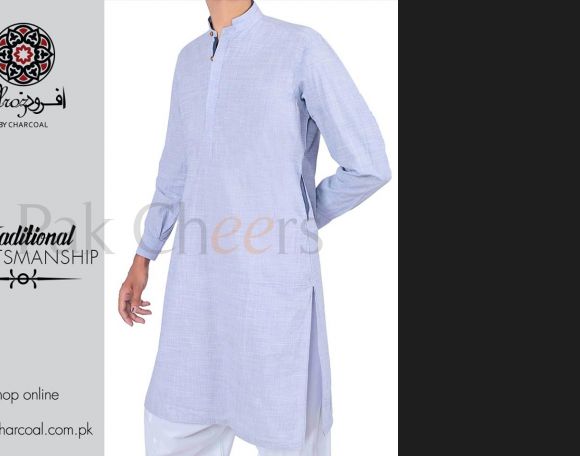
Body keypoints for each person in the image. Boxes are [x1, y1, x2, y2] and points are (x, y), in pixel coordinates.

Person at [117, 1, 391, 454]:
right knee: (175, 421)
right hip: (197, 287)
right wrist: (143, 255)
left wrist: (299, 219)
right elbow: (175, 172)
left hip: (270, 285)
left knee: (287, 428)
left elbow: (368, 166)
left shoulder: (299, 48)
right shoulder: (189, 60)